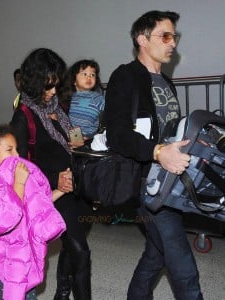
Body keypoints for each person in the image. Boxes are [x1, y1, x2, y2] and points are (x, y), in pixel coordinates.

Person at [104, 10, 203, 300]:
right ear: (142, 39)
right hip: (145, 182)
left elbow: (169, 131)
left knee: (157, 254)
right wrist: (158, 152)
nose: (173, 43)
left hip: (170, 179)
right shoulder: (126, 76)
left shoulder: (166, 82)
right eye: (165, 35)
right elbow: (117, 134)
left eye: (175, 36)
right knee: (182, 263)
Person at [10, 48, 92, 300]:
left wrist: (78, 142)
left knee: (71, 245)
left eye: (56, 84)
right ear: (35, 83)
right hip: (53, 193)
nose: (54, 91)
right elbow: (21, 167)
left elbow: (65, 141)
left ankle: (62, 292)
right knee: (81, 251)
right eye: (48, 86)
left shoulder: (57, 106)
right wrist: (55, 179)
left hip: (76, 185)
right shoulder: (23, 116)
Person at [0, 125, 67, 300]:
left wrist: (61, 190)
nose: (16, 156)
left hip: (17, 253)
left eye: (16, 149)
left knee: (27, 293)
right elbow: (5, 218)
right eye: (9, 150)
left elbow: (35, 205)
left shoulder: (16, 179)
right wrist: (19, 185)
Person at [60, 59, 105, 139]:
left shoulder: (98, 98)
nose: (89, 77)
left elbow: (110, 113)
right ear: (74, 80)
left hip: (89, 136)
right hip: (70, 135)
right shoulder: (68, 97)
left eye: (92, 75)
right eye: (84, 74)